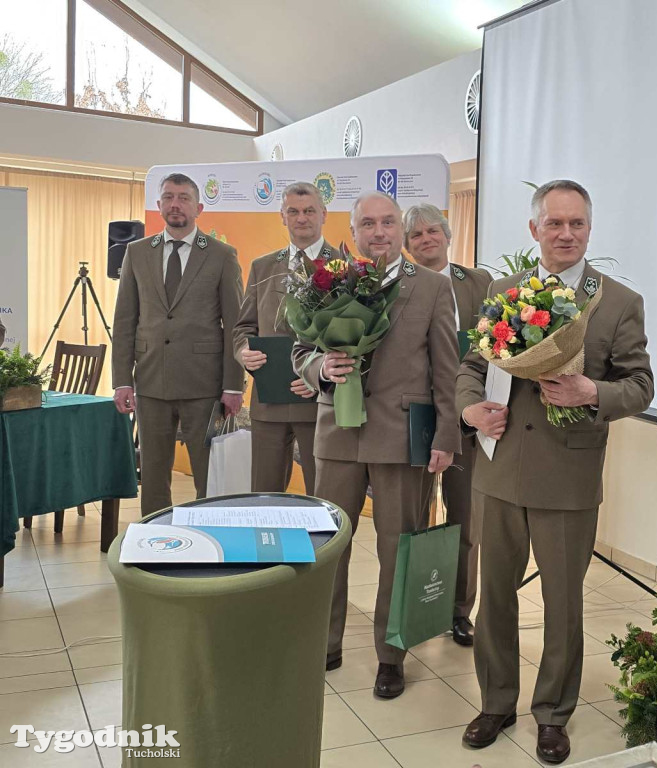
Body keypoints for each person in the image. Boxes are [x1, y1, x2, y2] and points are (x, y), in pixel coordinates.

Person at [458, 180, 654, 764]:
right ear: (534, 229)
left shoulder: (616, 300)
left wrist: (591, 389)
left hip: (567, 477)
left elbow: (640, 384)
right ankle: (495, 701)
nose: (566, 234)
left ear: (589, 230)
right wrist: (471, 409)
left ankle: (553, 714)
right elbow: (474, 362)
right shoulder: (503, 290)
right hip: (498, 468)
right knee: (494, 596)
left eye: (577, 224)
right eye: (555, 224)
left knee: (563, 604)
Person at [292, 191, 461, 692]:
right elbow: (301, 347)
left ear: (400, 230)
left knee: (397, 548)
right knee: (327, 546)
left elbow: (446, 368)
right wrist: (319, 366)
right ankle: (324, 642)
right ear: (355, 230)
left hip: (400, 436)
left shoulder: (431, 287)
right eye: (368, 223)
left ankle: (392, 654)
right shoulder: (325, 277)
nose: (379, 232)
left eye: (388, 222)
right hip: (337, 433)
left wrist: (446, 436)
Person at [112, 173, 244, 515]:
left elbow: (236, 325)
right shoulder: (136, 252)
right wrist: (122, 380)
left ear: (198, 207)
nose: (175, 204)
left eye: (183, 198)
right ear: (158, 206)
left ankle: (209, 539)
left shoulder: (221, 255)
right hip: (151, 378)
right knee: (154, 473)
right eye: (168, 197)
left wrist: (233, 384)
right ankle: (156, 543)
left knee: (207, 472)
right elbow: (125, 320)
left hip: (205, 382)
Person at [403, 203, 491, 647]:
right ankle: (416, 607)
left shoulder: (480, 284)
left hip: (469, 421)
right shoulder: (395, 285)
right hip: (417, 419)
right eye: (415, 234)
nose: (425, 239)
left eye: (433, 230)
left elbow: (497, 347)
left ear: (448, 234)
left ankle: (459, 611)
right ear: (407, 243)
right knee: (413, 520)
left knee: (465, 522)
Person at [233, 182, 334, 494]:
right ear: (282, 216)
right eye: (293, 211)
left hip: (319, 401)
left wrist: (318, 376)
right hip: (269, 401)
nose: (301, 218)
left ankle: (321, 546)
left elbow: (352, 339)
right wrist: (242, 352)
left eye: (309, 211)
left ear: (323, 214)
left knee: (323, 496)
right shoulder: (262, 266)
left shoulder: (346, 267)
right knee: (263, 495)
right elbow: (242, 328)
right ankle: (267, 544)